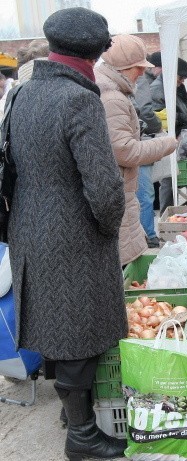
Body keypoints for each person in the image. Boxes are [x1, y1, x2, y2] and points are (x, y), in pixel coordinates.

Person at [7, 7, 127, 460]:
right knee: (78, 330)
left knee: (57, 325)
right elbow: (104, 186)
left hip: (29, 223)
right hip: (71, 230)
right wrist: (106, 229)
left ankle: (71, 417)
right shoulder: (79, 99)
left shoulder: (24, 93)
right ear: (97, 52)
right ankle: (82, 437)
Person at [95, 34, 177, 266]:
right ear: (123, 68)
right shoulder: (112, 98)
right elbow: (124, 151)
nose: (142, 73)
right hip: (118, 189)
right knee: (123, 261)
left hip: (118, 189)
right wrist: (166, 143)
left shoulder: (112, 91)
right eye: (138, 68)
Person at [151, 58, 187, 214]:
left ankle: (173, 209)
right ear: (172, 74)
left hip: (180, 133)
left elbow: (181, 101)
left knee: (173, 177)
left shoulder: (176, 85)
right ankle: (166, 213)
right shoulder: (157, 89)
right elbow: (161, 115)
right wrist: (186, 118)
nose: (182, 81)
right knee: (168, 178)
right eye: (181, 78)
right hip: (169, 136)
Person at [133, 50, 164, 248]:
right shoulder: (142, 80)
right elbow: (144, 110)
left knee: (137, 196)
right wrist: (158, 128)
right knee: (144, 195)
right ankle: (148, 236)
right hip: (139, 143)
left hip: (131, 144)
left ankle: (142, 235)